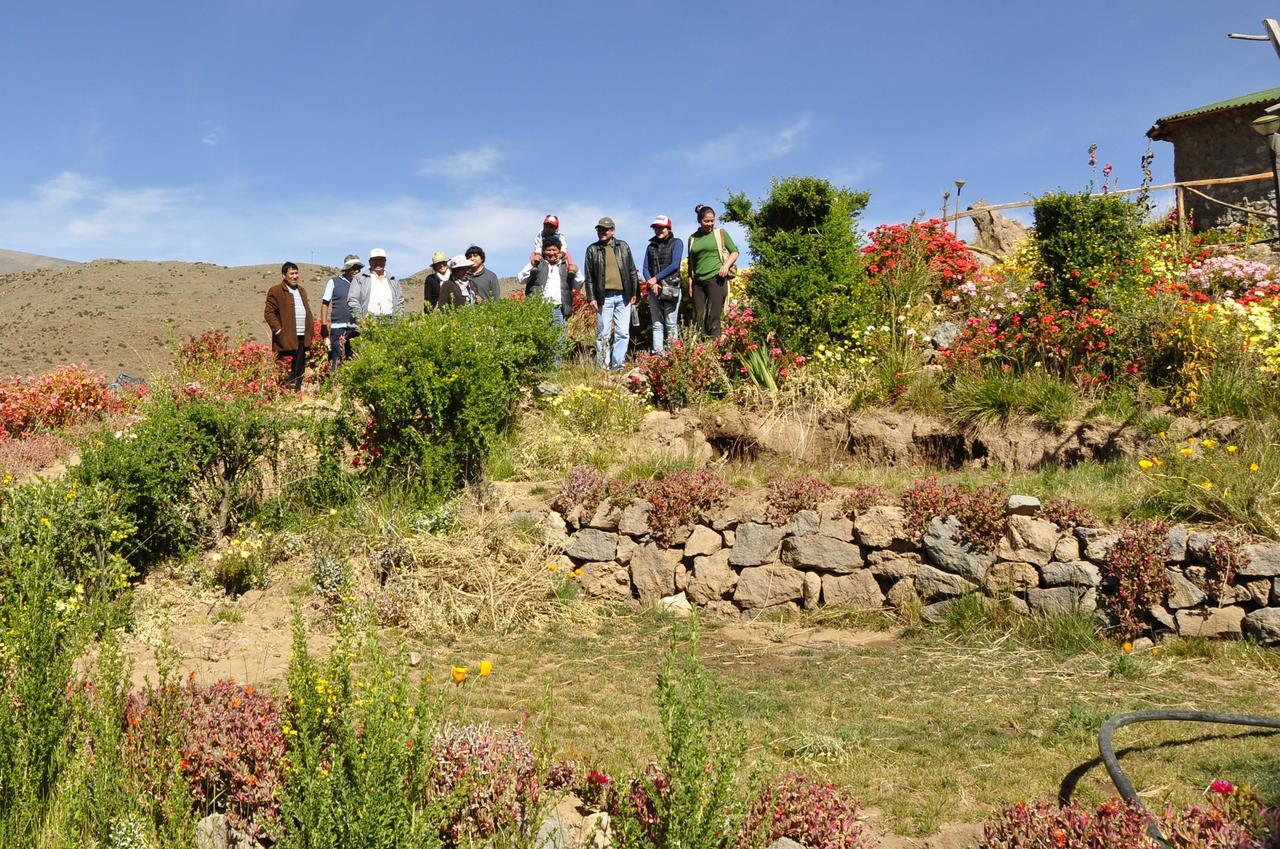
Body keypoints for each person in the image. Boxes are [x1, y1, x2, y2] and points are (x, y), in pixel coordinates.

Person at [582, 216, 641, 371]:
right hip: (603, 298)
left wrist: (635, 292)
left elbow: (632, 271)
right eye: (599, 229)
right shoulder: (592, 249)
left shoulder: (623, 246)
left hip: (624, 296)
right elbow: (589, 277)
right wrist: (591, 298)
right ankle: (603, 366)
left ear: (612, 231)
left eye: (605, 229)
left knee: (623, 332)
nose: (602, 232)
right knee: (603, 334)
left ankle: (618, 364)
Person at [686, 204, 739, 338]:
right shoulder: (692, 239)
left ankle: (716, 348)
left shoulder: (720, 233)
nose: (710, 224)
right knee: (699, 317)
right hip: (698, 282)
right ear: (699, 221)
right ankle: (703, 348)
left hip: (716, 278)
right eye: (706, 221)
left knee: (713, 316)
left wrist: (726, 265)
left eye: (712, 220)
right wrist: (690, 282)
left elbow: (734, 252)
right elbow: (691, 263)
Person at [264, 261, 315, 392]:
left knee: (299, 368)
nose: (295, 276)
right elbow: (269, 313)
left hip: (302, 336)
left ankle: (296, 394)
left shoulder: (302, 291)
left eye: (296, 273)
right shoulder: (275, 291)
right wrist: (279, 330)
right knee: (284, 368)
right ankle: (283, 395)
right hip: (285, 338)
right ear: (284, 275)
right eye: (291, 273)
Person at [642, 214, 684, 354]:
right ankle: (658, 354)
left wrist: (656, 278)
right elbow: (645, 268)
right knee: (657, 324)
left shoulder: (677, 242)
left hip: (671, 287)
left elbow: (675, 265)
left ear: (668, 228)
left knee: (671, 323)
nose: (659, 230)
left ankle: (673, 354)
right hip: (654, 290)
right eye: (656, 228)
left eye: (662, 228)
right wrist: (652, 283)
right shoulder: (650, 247)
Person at [518, 236, 580, 325]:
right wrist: (532, 265)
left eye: (554, 250)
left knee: (559, 338)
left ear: (560, 251)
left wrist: (576, 271)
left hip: (558, 310)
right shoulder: (537, 264)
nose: (551, 253)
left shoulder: (566, 266)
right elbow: (521, 279)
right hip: (538, 309)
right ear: (543, 251)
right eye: (548, 250)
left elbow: (578, 285)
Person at [320, 254, 363, 367]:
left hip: (357, 328)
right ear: (346, 269)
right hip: (338, 328)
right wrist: (324, 326)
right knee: (337, 362)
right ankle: (334, 383)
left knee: (355, 362)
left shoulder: (362, 284)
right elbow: (325, 304)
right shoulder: (334, 282)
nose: (356, 271)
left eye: (358, 268)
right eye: (353, 268)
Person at [348, 247, 405, 321]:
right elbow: (353, 300)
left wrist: (398, 320)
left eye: (381, 260)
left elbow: (400, 302)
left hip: (390, 322)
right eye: (375, 260)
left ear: (385, 262)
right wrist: (360, 320)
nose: (378, 263)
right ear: (369, 262)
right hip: (368, 322)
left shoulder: (393, 280)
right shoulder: (360, 278)